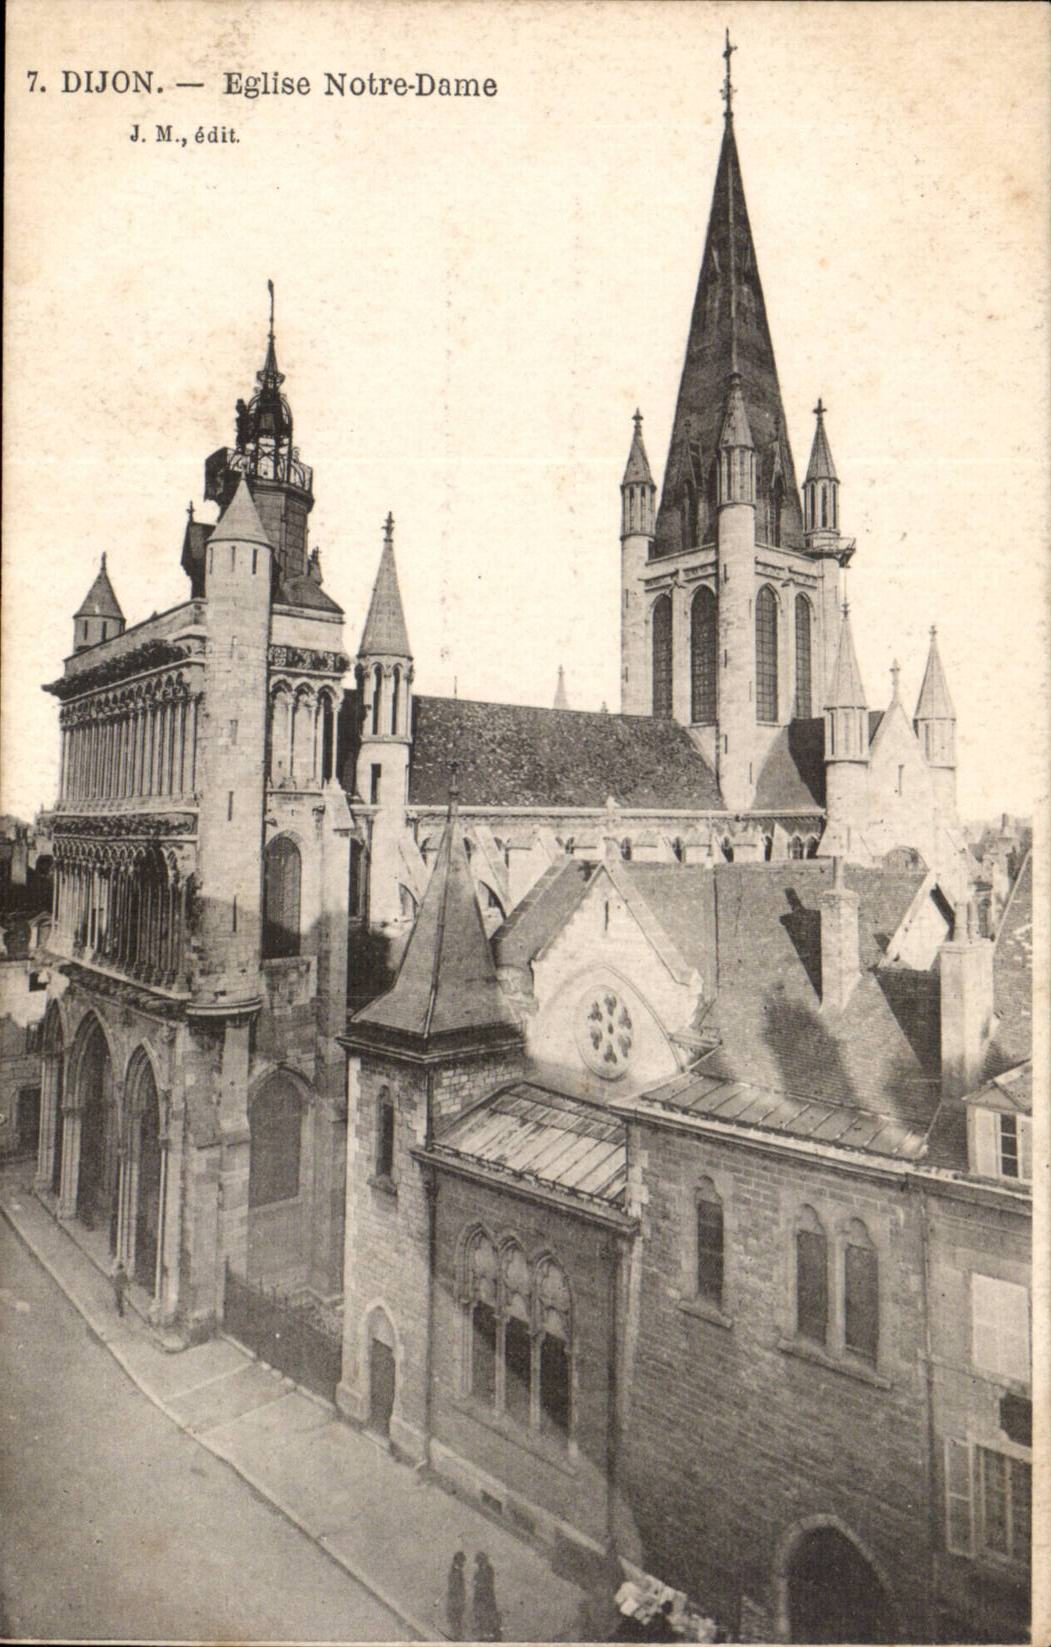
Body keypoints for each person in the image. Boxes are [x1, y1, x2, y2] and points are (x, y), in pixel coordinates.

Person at [473, 1551, 502, 1642]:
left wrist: (479, 1585)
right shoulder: (479, 1570)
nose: (478, 1564)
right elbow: (476, 1580)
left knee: (489, 1614)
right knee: (481, 1615)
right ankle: (485, 1633)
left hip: (487, 1596)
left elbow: (488, 1583)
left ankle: (491, 1633)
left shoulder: (488, 1570)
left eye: (479, 1562)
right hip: (480, 1596)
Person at [446, 1550, 466, 1640]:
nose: (463, 1564)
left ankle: (457, 1634)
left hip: (456, 1598)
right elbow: (455, 1585)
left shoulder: (456, 1570)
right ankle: (456, 1635)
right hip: (455, 1598)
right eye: (462, 1561)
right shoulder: (456, 1571)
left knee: (456, 1617)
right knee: (455, 1617)